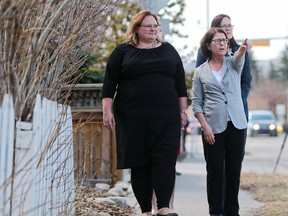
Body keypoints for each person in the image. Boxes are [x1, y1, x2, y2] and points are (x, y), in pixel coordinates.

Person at [101, 10, 187, 216]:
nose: (152, 29)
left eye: (155, 25)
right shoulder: (123, 51)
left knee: (165, 159)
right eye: (148, 25)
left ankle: (164, 208)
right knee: (140, 163)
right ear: (137, 29)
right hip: (133, 118)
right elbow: (109, 82)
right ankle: (146, 210)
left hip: (166, 117)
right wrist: (106, 110)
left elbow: (180, 83)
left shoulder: (169, 50)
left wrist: (183, 111)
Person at [192, 27, 252, 216]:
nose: (222, 44)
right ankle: (215, 212)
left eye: (225, 41)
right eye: (218, 41)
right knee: (215, 172)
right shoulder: (200, 72)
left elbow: (239, 56)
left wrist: (243, 47)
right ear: (208, 45)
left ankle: (232, 212)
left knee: (233, 172)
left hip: (236, 125)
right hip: (213, 128)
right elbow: (197, 104)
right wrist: (205, 126)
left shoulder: (233, 64)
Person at [196, 14, 252, 122]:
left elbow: (246, 81)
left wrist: (236, 101)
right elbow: (200, 81)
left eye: (230, 25)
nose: (228, 28)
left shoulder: (241, 51)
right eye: (224, 26)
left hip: (238, 113)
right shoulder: (204, 52)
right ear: (215, 29)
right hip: (214, 113)